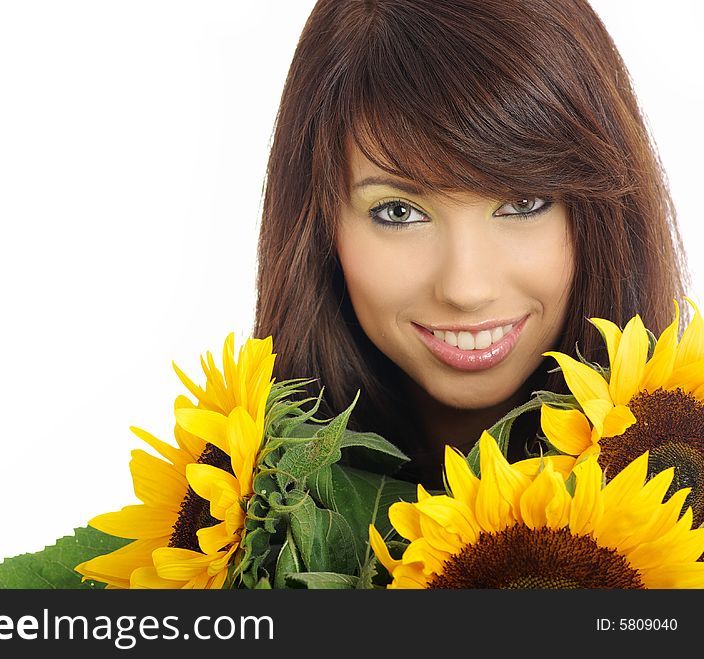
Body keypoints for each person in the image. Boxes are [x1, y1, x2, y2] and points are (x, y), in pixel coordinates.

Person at [253, 0, 689, 489]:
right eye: (400, 212)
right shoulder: (226, 541)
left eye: (523, 203)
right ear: (319, 226)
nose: (466, 288)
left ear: (603, 215)